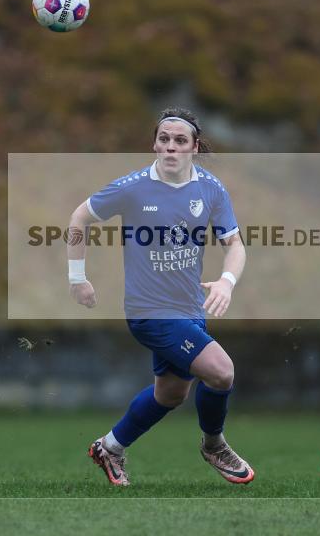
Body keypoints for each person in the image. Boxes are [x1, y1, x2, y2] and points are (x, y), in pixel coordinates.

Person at [68, 107, 254, 486]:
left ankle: (109, 448)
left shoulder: (211, 188)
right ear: (155, 143)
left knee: (170, 393)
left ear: (194, 147)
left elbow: (235, 244)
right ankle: (214, 444)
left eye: (179, 141)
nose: (170, 147)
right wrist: (77, 279)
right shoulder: (132, 187)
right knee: (221, 372)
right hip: (149, 311)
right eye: (163, 139)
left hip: (189, 308)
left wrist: (226, 281)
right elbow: (79, 219)